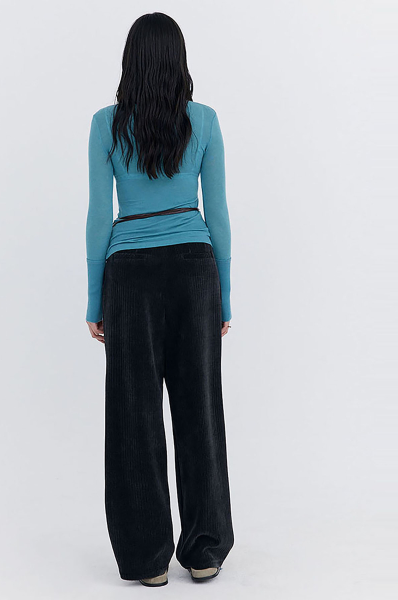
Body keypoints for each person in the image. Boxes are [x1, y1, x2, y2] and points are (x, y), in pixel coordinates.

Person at [85, 12, 234, 587]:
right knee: (199, 409)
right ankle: (204, 551)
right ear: (179, 61)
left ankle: (148, 558)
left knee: (134, 415)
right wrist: (224, 297)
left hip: (130, 275)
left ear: (130, 62)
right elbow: (217, 214)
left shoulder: (106, 125)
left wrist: (94, 300)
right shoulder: (205, 121)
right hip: (195, 271)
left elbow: (99, 216)